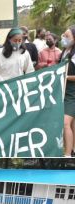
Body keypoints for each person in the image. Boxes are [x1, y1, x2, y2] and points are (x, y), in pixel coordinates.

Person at [63, 26, 75, 157]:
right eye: (63, 36)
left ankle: (67, 155)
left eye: (67, 36)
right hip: (64, 92)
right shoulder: (65, 51)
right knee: (72, 124)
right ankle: (72, 150)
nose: (64, 39)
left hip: (73, 93)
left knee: (65, 122)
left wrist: (66, 77)